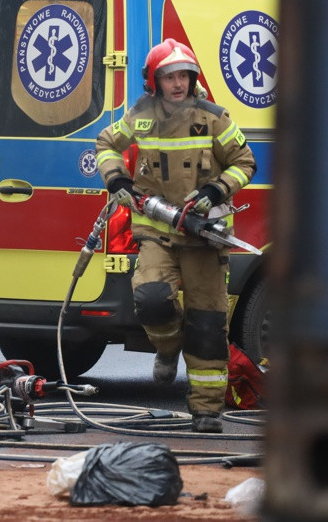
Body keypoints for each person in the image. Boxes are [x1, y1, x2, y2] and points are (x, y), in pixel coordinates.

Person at [95, 38, 256, 433]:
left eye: (183, 75)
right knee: (151, 299)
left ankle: (205, 411)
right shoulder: (140, 116)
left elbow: (245, 161)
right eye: (169, 77)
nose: (178, 84)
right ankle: (167, 349)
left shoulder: (212, 117)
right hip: (157, 229)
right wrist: (117, 177)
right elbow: (105, 143)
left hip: (205, 237)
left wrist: (215, 191)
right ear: (155, 81)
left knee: (206, 324)